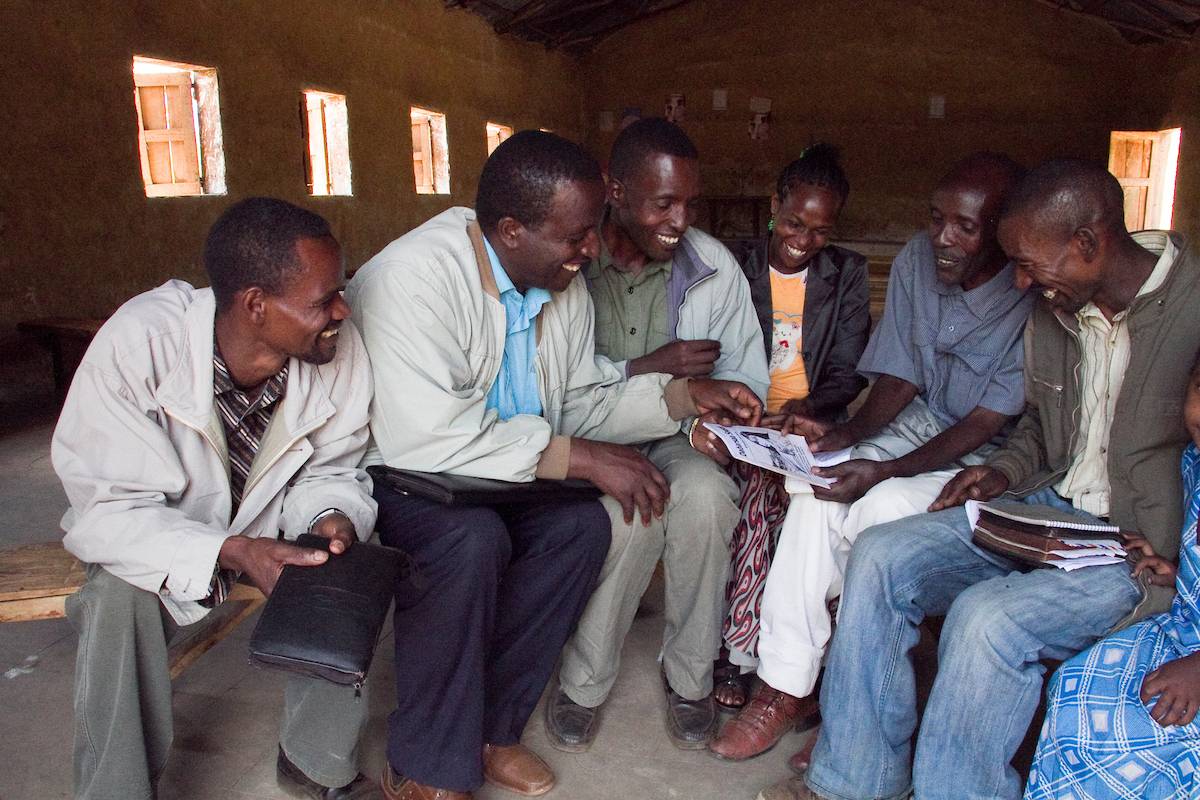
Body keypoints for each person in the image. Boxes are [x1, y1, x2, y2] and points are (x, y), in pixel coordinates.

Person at [759, 158, 1200, 800]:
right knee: (882, 556)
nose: (1022, 281)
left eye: (1032, 265)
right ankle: (851, 779)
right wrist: (1000, 471)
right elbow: (1042, 433)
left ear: (1087, 244)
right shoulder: (1060, 307)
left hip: (1137, 551)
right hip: (1046, 510)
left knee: (987, 620)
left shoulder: (1190, 303)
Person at [345, 130, 761, 800]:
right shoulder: (413, 280)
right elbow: (422, 435)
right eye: (575, 238)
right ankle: (426, 762)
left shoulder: (555, 283)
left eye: (590, 232)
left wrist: (684, 399)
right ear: (511, 230)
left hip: (503, 476)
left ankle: (494, 733)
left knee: (582, 530)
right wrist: (579, 458)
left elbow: (579, 400)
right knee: (470, 545)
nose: (590, 251)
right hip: (410, 475)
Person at [53, 198, 380, 800]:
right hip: (160, 533)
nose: (342, 309)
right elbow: (106, 507)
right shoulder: (143, 342)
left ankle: (316, 763)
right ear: (256, 304)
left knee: (344, 559)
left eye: (341, 290)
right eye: (322, 300)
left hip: (272, 523)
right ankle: (115, 789)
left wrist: (330, 517)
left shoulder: (334, 349)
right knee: (115, 595)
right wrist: (230, 548)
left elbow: (335, 465)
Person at [711, 152, 1033, 761]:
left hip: (982, 447)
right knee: (816, 487)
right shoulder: (917, 258)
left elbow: (987, 420)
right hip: (917, 421)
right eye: (937, 218)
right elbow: (900, 378)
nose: (943, 237)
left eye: (965, 226)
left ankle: (845, 697)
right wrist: (846, 437)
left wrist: (883, 469)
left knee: (873, 509)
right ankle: (783, 684)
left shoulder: (1025, 291)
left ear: (1003, 232)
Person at [546, 117, 769, 752]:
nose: (680, 219)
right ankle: (586, 681)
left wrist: (719, 417)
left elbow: (742, 371)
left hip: (678, 433)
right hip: (593, 436)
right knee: (633, 510)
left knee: (706, 499)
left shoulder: (712, 267)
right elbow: (563, 396)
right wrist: (653, 369)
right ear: (614, 190)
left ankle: (691, 678)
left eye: (689, 203)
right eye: (663, 202)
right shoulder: (572, 265)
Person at [716, 143, 871, 712]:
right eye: (794, 222)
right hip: (748, 421)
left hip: (813, 426)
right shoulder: (737, 263)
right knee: (759, 504)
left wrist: (806, 414)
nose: (804, 240)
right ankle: (741, 655)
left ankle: (797, 664)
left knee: (823, 511)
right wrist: (753, 414)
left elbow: (850, 372)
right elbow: (716, 354)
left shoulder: (846, 273)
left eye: (821, 230)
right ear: (773, 205)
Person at [1025, 367, 1200, 800]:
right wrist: (1181, 573)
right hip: (1184, 627)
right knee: (1074, 687)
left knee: (1148, 744)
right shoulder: (1194, 464)